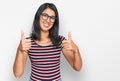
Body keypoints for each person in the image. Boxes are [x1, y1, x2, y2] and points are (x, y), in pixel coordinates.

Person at [13, 3, 82, 81]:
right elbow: (17, 74)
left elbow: (77, 68)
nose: (48, 20)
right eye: (45, 15)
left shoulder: (60, 41)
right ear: (38, 16)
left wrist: (76, 50)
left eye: (52, 17)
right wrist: (19, 49)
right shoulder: (27, 43)